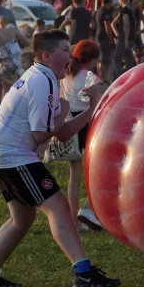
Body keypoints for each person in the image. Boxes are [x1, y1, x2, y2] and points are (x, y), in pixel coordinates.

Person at [0, 30, 120, 287]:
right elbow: (41, 133)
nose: (71, 54)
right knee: (59, 207)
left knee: (22, 218)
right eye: (65, 49)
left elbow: (61, 134)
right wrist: (64, 109)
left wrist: (90, 108)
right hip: (12, 156)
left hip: (3, 154)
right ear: (47, 55)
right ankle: (84, 273)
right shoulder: (42, 81)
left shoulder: (45, 78)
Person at [59, 40, 103, 231]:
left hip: (70, 125)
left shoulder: (66, 75)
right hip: (87, 126)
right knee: (97, 172)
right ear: (93, 60)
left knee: (74, 177)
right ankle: (87, 209)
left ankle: (73, 221)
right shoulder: (89, 77)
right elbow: (98, 102)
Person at [94, 0, 116, 81]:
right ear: (109, 2)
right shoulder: (105, 11)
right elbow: (107, 26)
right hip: (104, 37)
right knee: (104, 59)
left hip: (98, 36)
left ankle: (100, 77)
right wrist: (110, 39)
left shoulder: (99, 10)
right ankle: (103, 78)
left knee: (100, 59)